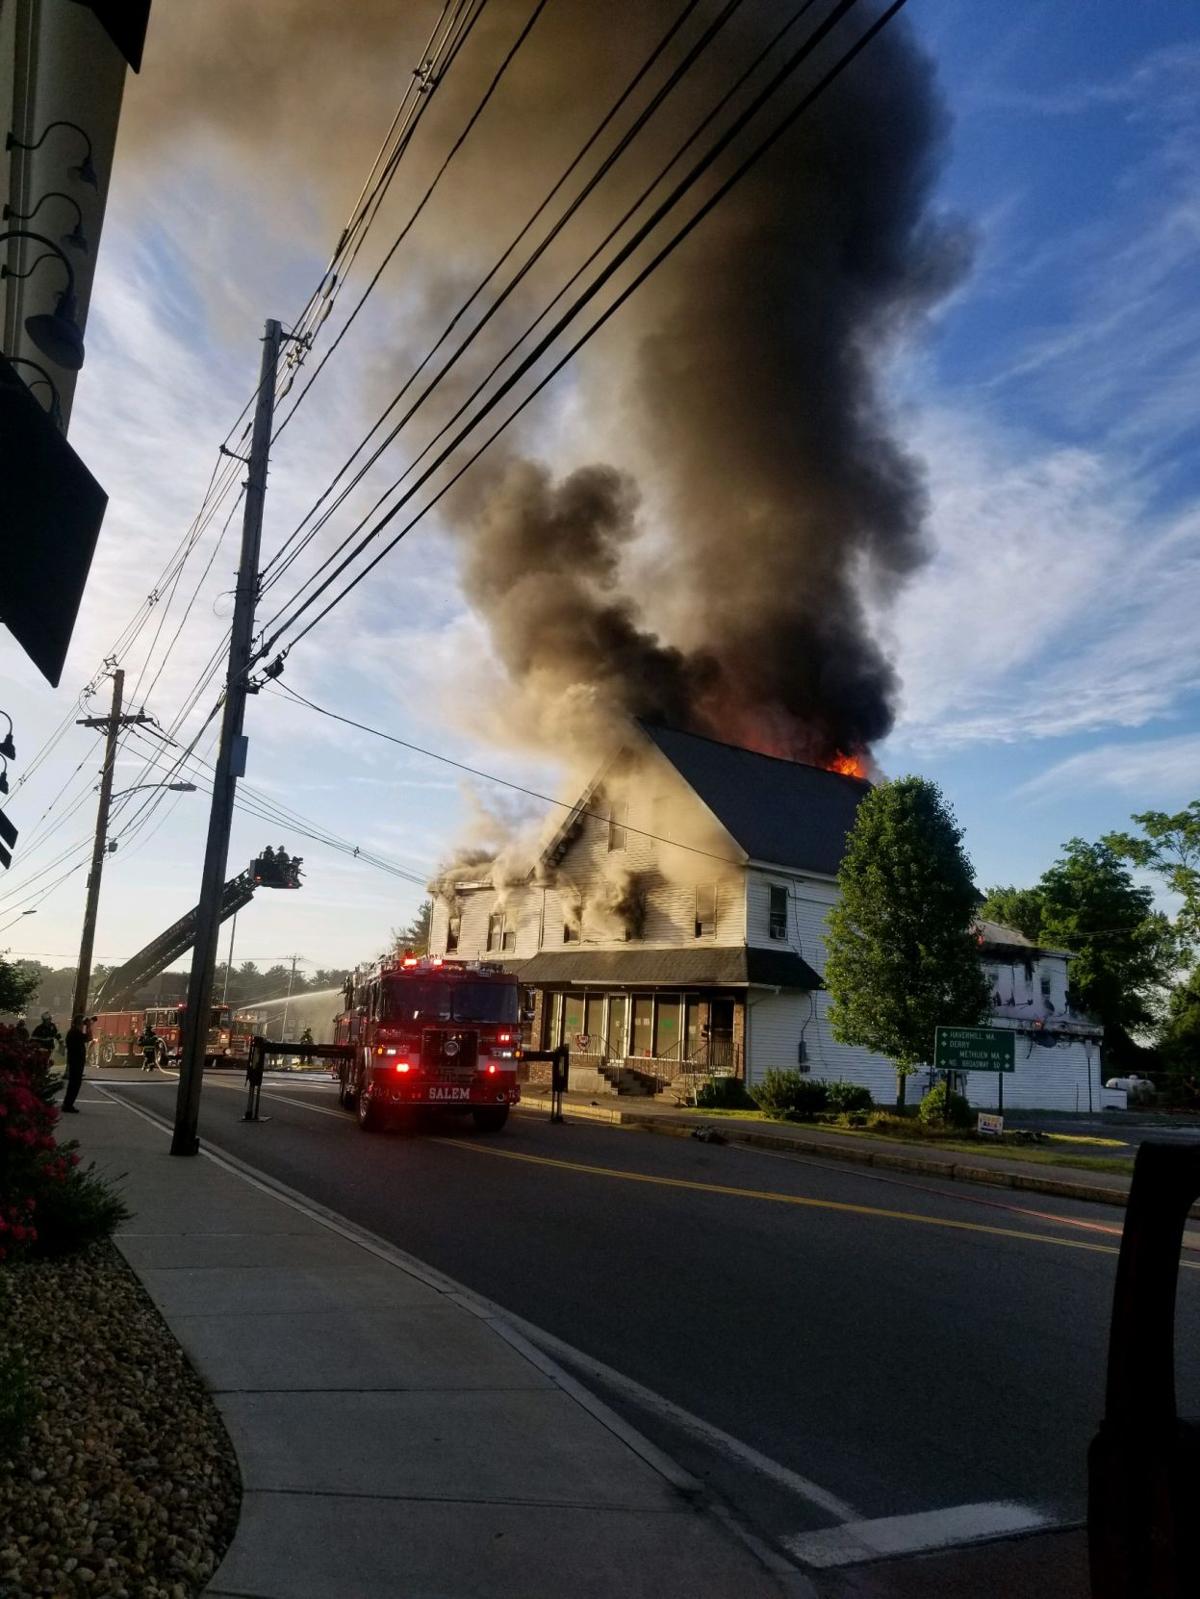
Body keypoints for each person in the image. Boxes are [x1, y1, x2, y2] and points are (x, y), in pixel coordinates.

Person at [62, 1015, 88, 1113]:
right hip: (76, 1061)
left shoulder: (73, 1032)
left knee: (73, 1084)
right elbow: (88, 1037)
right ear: (79, 1024)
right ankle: (68, 1104)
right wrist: (89, 1027)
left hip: (75, 1061)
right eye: (82, 1024)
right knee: (75, 1084)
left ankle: (68, 1104)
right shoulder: (75, 1033)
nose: (83, 1025)